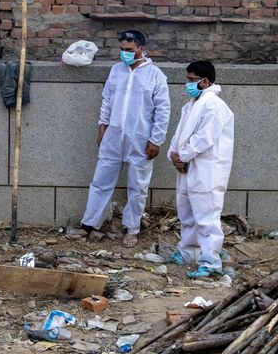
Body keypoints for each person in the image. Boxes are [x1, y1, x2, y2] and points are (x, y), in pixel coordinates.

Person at [67, 30, 171, 248]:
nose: (125, 54)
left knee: (137, 186)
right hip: (113, 136)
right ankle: (89, 224)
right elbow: (107, 100)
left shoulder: (155, 76)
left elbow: (163, 110)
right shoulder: (116, 71)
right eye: (122, 50)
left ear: (141, 48)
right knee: (101, 181)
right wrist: (102, 126)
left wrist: (156, 140)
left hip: (141, 139)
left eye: (129, 50)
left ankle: (132, 229)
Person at [167, 61, 234, 278]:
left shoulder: (214, 105)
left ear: (205, 82)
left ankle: (211, 261)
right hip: (188, 167)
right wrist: (174, 154)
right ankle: (189, 252)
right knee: (187, 212)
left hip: (207, 169)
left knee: (206, 216)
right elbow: (179, 136)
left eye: (191, 79)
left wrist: (183, 155)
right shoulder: (191, 105)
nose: (187, 83)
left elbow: (204, 138)